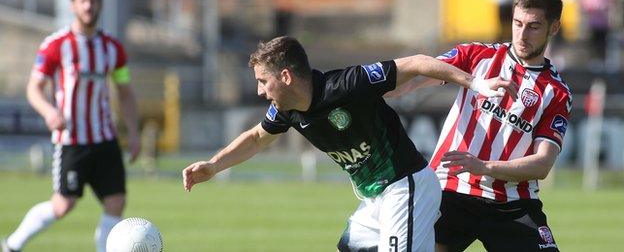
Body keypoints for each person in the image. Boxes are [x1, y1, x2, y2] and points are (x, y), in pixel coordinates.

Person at [182, 36, 517, 251]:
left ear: (285, 77)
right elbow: (256, 137)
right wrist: (213, 166)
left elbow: (415, 63)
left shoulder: (347, 84)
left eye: (263, 81)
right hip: (375, 199)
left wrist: (476, 84)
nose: (260, 92)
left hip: (406, 187)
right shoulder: (285, 109)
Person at [394, 0, 570, 251]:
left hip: (512, 202)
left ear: (553, 27)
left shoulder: (556, 92)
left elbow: (542, 164)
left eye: (533, 26)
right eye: (517, 23)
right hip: (450, 191)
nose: (522, 35)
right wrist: (374, 87)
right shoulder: (478, 56)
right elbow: (415, 76)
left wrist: (485, 166)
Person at [2, 0, 140, 252]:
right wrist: (49, 112)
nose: (88, 6)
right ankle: (11, 245)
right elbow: (34, 88)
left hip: (105, 139)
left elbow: (125, 90)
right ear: (73, 4)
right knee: (62, 205)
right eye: (83, 1)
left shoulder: (113, 48)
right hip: (71, 141)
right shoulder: (56, 45)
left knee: (116, 203)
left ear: (100, 4)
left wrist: (134, 133)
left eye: (93, 1)